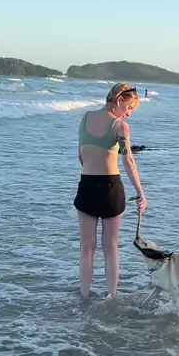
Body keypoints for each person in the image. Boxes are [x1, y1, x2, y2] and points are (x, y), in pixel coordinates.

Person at [73, 83, 147, 297]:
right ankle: (112, 297)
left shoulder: (85, 118)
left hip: (86, 186)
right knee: (111, 247)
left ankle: (84, 295)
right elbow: (128, 161)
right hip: (110, 189)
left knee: (86, 246)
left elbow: (81, 156)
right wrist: (140, 192)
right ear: (119, 100)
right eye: (129, 108)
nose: (129, 114)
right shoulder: (120, 126)